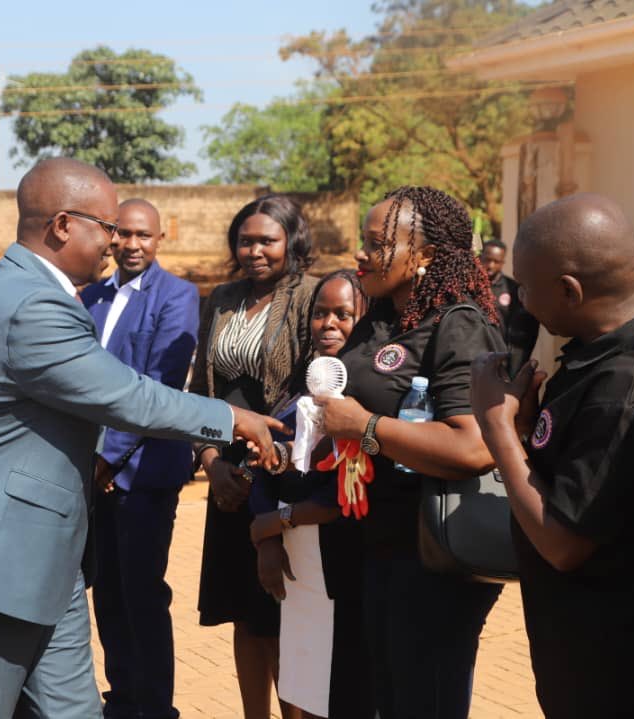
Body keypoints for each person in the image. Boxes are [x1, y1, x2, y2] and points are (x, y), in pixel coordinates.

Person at [0, 158, 284, 719]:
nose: (115, 241)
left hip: (43, 552)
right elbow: (124, 395)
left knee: (74, 711)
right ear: (64, 225)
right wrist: (232, 419)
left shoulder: (28, 287)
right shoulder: (30, 301)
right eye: (108, 226)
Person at [470, 193, 634, 719]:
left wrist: (496, 430)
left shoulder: (629, 387)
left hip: (621, 674)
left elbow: (563, 542)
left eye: (525, 287)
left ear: (569, 290)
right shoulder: (608, 341)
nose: (519, 302)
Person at [314, 186, 505, 719]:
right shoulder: (381, 318)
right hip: (377, 546)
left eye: (376, 244)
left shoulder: (457, 324)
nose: (360, 254)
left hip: (433, 557)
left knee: (424, 700)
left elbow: (472, 445)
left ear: (423, 256)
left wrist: (365, 425)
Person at [191, 194, 317, 719]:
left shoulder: (312, 297)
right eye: (246, 240)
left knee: (284, 611)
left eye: (268, 240)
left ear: (292, 241)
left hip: (283, 475)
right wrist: (212, 463)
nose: (255, 250)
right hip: (227, 479)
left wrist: (274, 464)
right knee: (245, 612)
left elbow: (314, 391)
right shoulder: (221, 298)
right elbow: (201, 389)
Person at [80, 198, 199, 719]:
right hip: (93, 472)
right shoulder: (92, 296)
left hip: (144, 473)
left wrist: (108, 458)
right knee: (106, 590)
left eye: (143, 235)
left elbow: (159, 386)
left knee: (143, 592)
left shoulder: (178, 296)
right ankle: (123, 697)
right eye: (124, 234)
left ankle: (155, 707)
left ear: (160, 238)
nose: (132, 245)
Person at [248, 269, 375, 719]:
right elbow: (265, 469)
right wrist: (265, 536)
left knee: (338, 678)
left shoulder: (368, 397)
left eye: (343, 314)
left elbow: (347, 490)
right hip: (295, 559)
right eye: (320, 313)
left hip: (342, 560)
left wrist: (281, 519)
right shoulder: (296, 388)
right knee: (301, 675)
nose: (329, 324)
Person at [479, 238, 539, 375]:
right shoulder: (470, 287)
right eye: (487, 259)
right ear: (480, 258)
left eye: (496, 262)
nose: (491, 265)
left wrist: (514, 368)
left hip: (499, 361)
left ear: (503, 263)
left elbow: (521, 333)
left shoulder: (513, 289)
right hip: (473, 355)